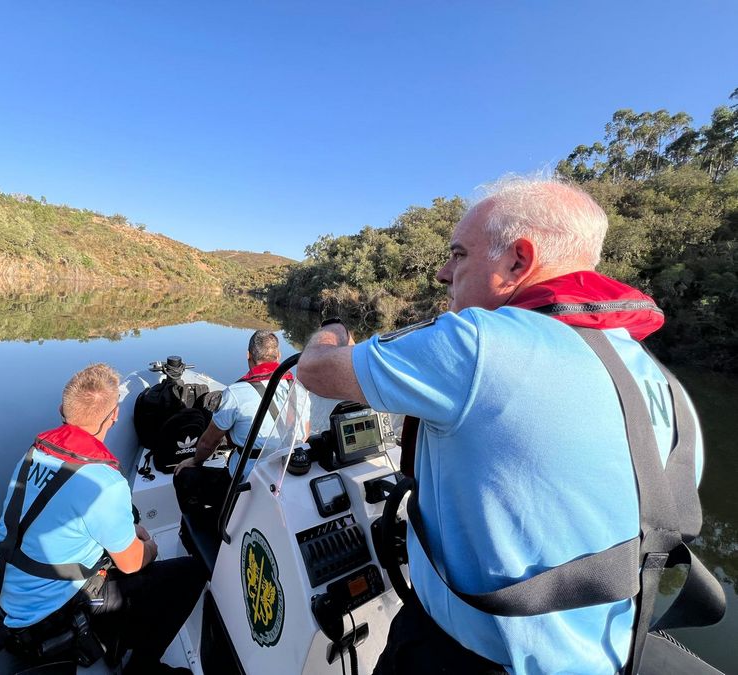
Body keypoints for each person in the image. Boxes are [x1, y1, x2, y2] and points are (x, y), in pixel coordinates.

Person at [297, 177, 707, 674]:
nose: (445, 274)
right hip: (609, 657)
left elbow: (315, 371)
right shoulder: (661, 384)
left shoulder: (478, 342)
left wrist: (331, 334)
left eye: (458, 254)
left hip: (462, 660)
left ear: (518, 260)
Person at [0, 363, 205, 674]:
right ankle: (141, 666)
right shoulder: (104, 482)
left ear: (62, 408)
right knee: (189, 573)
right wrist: (149, 546)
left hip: (10, 596)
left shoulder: (32, 453)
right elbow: (131, 562)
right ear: (114, 415)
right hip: (55, 611)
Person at [173, 330, 310, 516]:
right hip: (287, 475)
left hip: (246, 481)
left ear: (248, 356)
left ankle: (200, 528)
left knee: (184, 476)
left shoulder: (236, 393)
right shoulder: (299, 389)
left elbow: (208, 443)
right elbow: (304, 435)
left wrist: (195, 460)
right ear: (278, 356)